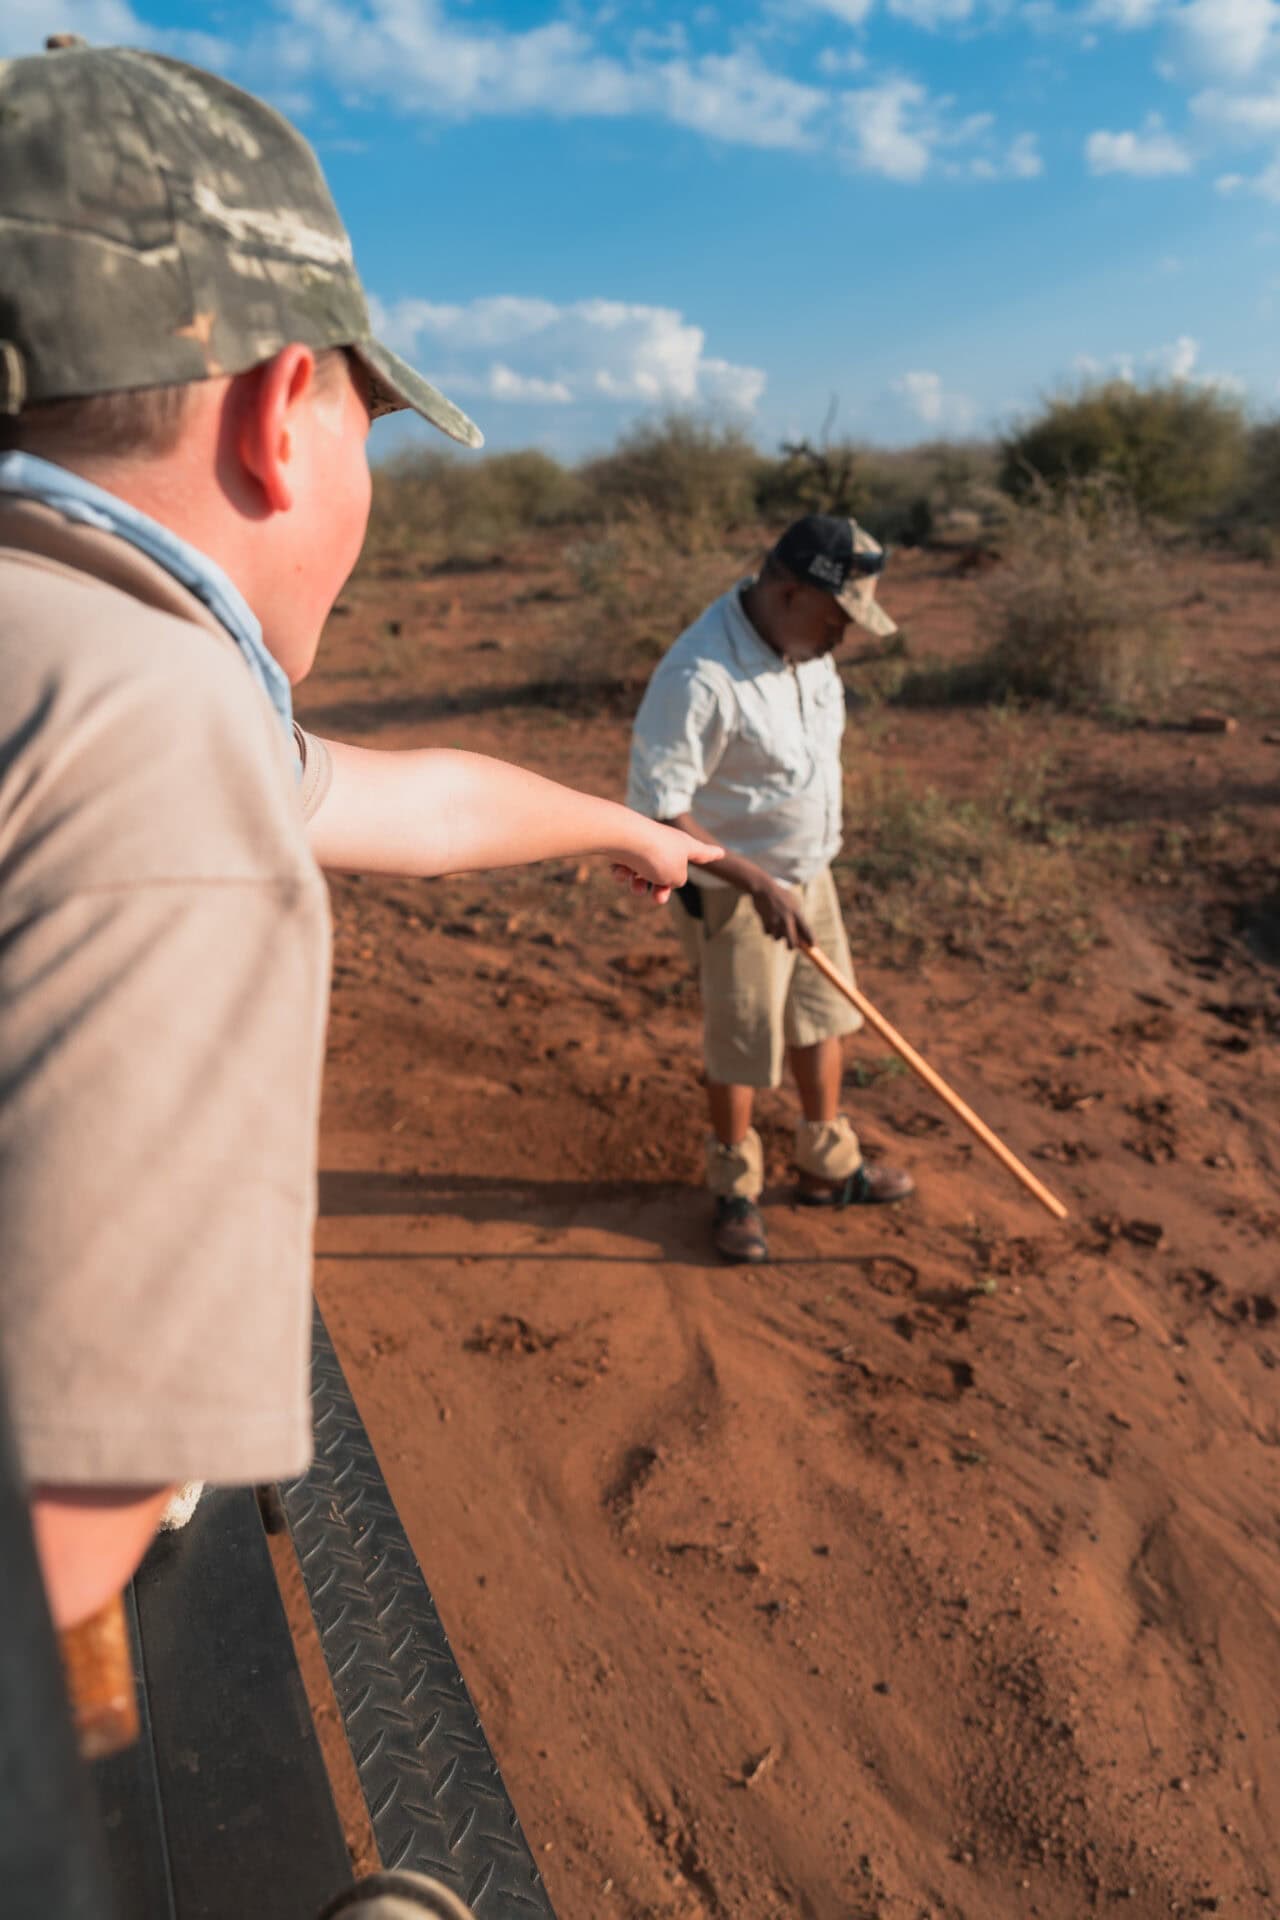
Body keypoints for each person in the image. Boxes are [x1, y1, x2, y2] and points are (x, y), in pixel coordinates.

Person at [0, 41, 717, 1683]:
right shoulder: (151, 726)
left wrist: (623, 829)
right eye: (367, 427)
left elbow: (410, 802)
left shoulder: (75, 661)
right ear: (275, 418)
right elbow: (58, 1521)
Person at [627, 514, 915, 1264]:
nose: (842, 637)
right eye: (836, 617)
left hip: (806, 872)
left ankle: (828, 1164)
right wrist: (754, 881)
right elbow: (660, 810)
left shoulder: (805, 647)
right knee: (744, 1040)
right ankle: (736, 1188)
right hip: (735, 891)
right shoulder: (700, 676)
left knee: (824, 1019)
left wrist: (792, 874)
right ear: (788, 592)